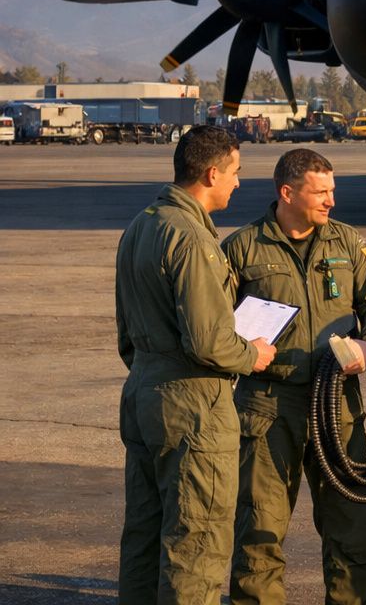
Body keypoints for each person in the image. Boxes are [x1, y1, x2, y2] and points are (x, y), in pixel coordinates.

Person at [224, 149, 366, 605]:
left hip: (338, 409)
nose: (331, 201)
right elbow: (213, 324)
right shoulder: (242, 248)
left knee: (349, 531)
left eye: (333, 190)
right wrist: (244, 353)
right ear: (288, 192)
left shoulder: (346, 243)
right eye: (321, 192)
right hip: (267, 409)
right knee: (259, 531)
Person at [116, 124, 277, 603]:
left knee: (144, 534)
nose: (238, 183)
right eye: (235, 173)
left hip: (144, 389)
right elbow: (208, 341)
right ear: (211, 173)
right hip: (195, 404)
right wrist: (253, 354)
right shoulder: (191, 238)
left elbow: (126, 335)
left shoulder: (141, 225)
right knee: (197, 542)